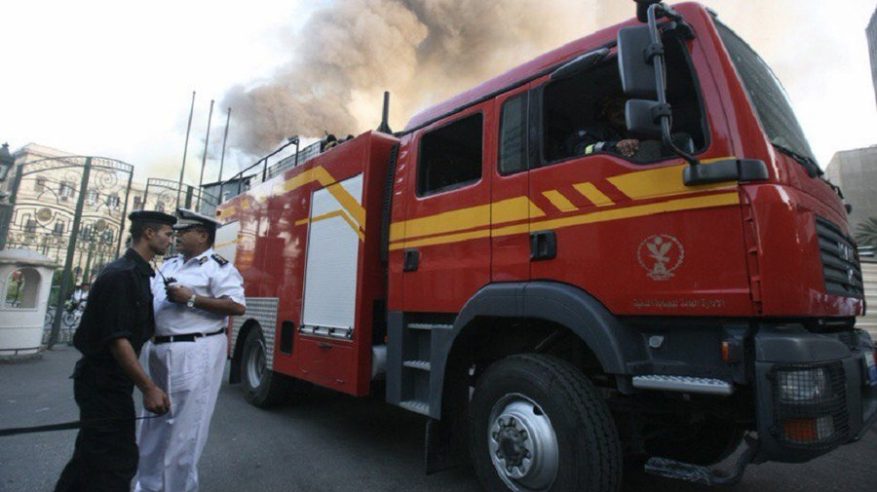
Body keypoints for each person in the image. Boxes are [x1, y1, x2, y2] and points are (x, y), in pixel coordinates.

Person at [55, 211, 176, 492]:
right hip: (102, 383)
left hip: (108, 383)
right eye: (167, 234)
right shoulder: (122, 275)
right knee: (116, 461)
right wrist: (148, 388)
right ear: (148, 233)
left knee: (89, 458)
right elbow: (118, 340)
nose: (171, 240)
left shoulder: (138, 273)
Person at [135, 208, 246, 492]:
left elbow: (236, 306)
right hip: (159, 349)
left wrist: (193, 299)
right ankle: (147, 487)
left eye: (184, 232)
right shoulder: (171, 264)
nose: (177, 237)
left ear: (202, 235)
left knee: (185, 430)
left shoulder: (218, 267)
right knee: (152, 425)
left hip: (196, 350)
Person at [568, 96, 641, 158]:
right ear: (604, 112)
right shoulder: (590, 132)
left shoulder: (642, 128)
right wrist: (614, 147)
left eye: (625, 107)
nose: (621, 111)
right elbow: (582, 151)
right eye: (616, 108)